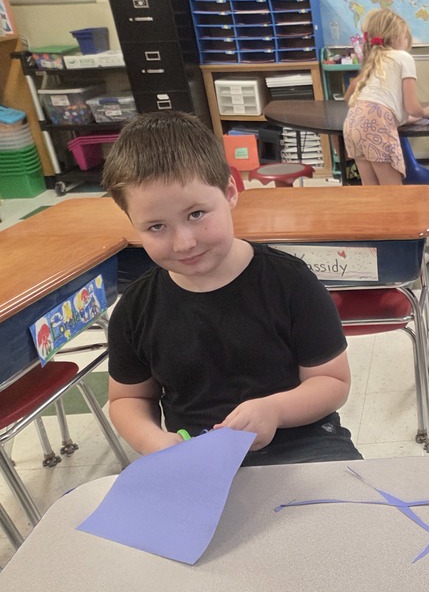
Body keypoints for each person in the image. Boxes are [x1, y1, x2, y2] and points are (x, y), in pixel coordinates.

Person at [102, 111, 361, 465]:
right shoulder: (134, 310)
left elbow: (332, 382)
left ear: (229, 192)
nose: (184, 243)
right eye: (156, 227)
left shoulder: (291, 282)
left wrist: (274, 410)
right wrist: (152, 440)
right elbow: (127, 398)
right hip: (198, 457)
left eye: (196, 214)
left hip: (304, 443)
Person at [343, 8, 429, 185]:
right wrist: (424, 112)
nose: (406, 43)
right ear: (396, 37)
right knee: (392, 192)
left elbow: (353, 98)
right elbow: (412, 108)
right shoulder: (403, 58)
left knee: (371, 190)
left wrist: (413, 117)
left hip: (353, 124)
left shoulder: (373, 60)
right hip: (377, 124)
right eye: (405, 38)